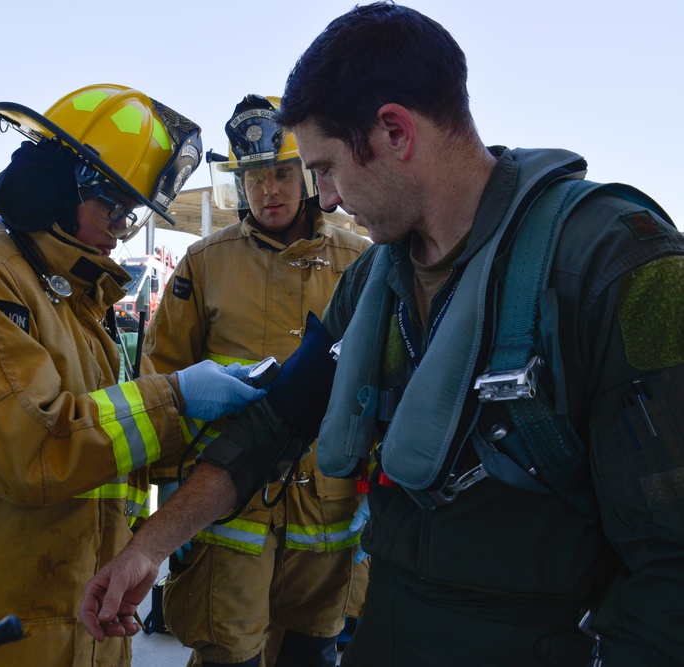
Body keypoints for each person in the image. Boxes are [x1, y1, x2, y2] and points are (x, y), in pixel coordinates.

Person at [80, 5, 684, 666]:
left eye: (328, 169)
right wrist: (152, 543)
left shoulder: (615, 263)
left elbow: (670, 564)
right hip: (391, 626)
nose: (328, 199)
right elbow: (275, 423)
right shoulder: (373, 281)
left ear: (393, 131)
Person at [0, 83, 266, 666]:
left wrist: (222, 416)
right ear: (58, 187)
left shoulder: (75, 303)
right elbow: (32, 452)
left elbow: (108, 447)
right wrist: (176, 396)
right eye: (114, 207)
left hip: (81, 626)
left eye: (130, 215)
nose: (119, 230)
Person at [144, 94, 371, 667]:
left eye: (281, 173)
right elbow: (162, 375)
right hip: (229, 507)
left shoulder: (362, 259)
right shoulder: (204, 262)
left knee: (312, 652)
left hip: (330, 508)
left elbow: (391, 377)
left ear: (308, 174)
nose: (268, 189)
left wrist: (383, 478)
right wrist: (172, 492)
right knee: (228, 653)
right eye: (253, 177)